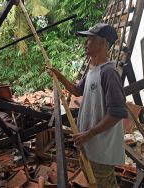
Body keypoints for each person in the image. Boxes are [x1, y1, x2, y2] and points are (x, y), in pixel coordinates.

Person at [48, 23, 127, 187]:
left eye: (90, 39)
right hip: (89, 144)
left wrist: (89, 133)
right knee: (93, 181)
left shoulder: (109, 72)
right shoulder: (93, 70)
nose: (86, 43)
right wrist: (58, 75)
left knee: (103, 182)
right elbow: (77, 91)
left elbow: (117, 112)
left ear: (103, 43)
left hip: (101, 148)